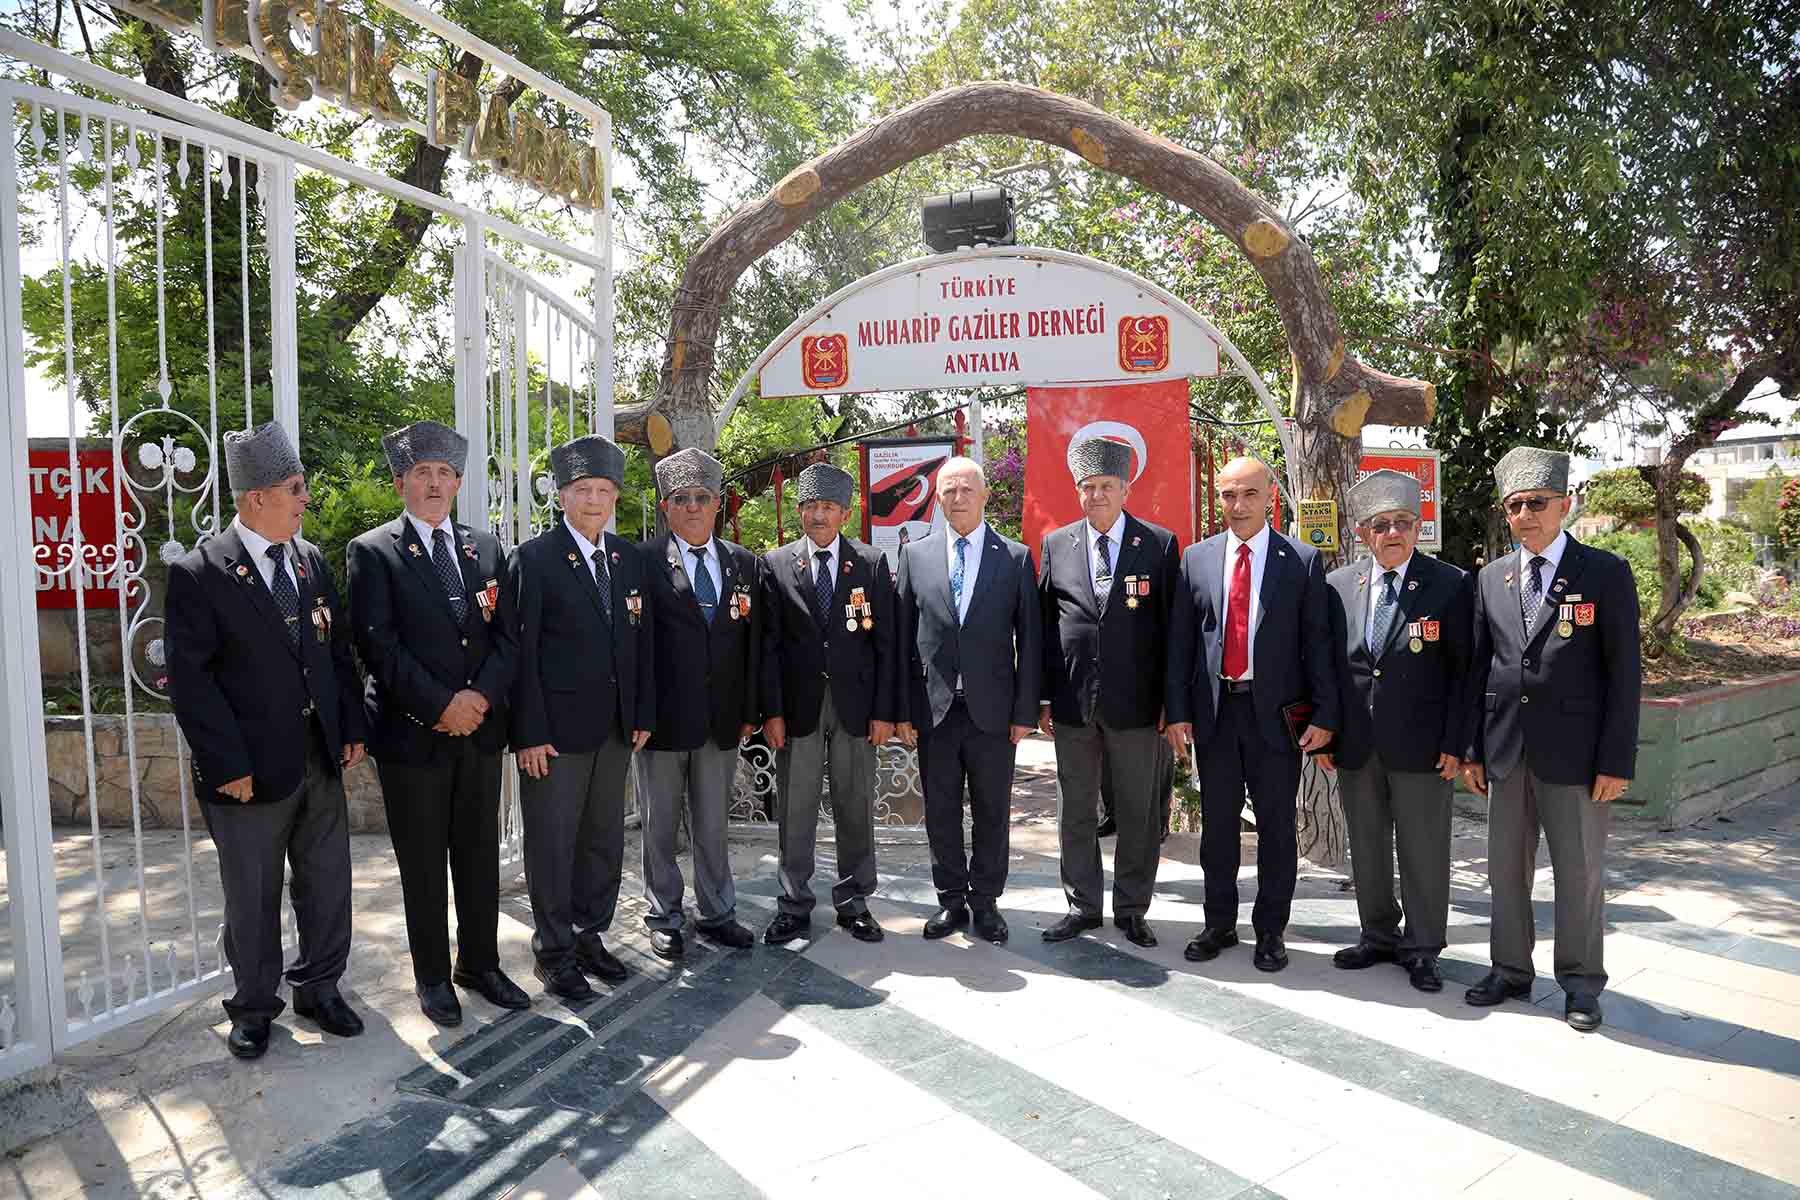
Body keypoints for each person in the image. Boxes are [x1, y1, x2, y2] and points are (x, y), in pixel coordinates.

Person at [166, 421, 366, 1060]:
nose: (306, 498)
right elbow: (193, 684)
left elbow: (336, 653)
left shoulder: (309, 561)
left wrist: (350, 728)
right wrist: (227, 764)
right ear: (258, 497)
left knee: (327, 882)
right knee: (252, 895)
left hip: (318, 758)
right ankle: (253, 1008)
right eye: (295, 488)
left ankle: (321, 988)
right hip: (247, 770)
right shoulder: (200, 574)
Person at [346, 421, 528, 1028]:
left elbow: (508, 638)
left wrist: (478, 699)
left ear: (457, 482)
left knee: (477, 856)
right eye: (421, 473)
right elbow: (379, 647)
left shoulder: (487, 549)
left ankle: (479, 964)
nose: (432, 483)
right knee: (423, 864)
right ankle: (432, 976)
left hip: (479, 731)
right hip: (412, 736)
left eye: (443, 473)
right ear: (401, 483)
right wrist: (441, 705)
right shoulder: (374, 552)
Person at [1462, 446, 1640, 1032]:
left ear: (1565, 504)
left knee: (1579, 873)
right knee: (1504, 871)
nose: (1525, 515)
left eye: (1537, 503)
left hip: (1577, 757)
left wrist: (1615, 760)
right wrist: (1472, 748)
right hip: (1507, 751)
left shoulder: (1604, 572)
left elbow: (1624, 675)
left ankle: (1582, 983)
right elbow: (1480, 668)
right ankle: (1510, 969)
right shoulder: (1492, 577)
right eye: (1515, 505)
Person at [1165, 456, 1337, 972]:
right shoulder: (1196, 559)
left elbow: (1318, 644)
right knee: (1217, 828)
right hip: (1215, 715)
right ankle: (1218, 923)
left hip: (1277, 718)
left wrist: (1324, 716)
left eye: (1249, 494)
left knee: (1277, 829)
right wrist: (1177, 712)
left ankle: (1270, 931)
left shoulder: (1301, 560)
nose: (1237, 505)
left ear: (1269, 498)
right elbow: (1181, 645)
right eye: (1228, 495)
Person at [508, 434, 654, 1002]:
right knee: (553, 845)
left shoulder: (626, 558)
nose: (594, 500)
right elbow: (521, 654)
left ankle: (590, 935)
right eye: (583, 489)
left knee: (602, 841)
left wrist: (640, 711)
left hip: (614, 730)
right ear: (562, 495)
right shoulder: (534, 559)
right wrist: (529, 732)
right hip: (555, 736)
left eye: (604, 490)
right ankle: (554, 952)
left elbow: (638, 644)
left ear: (615, 496)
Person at [1318, 469, 1472, 994]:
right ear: (1363, 532)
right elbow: (1331, 669)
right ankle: (1377, 935)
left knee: (1423, 849)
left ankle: (1423, 947)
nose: (1392, 533)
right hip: (1357, 744)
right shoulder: (1339, 586)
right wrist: (1326, 733)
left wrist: (1457, 743)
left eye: (1403, 522)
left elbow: (1465, 673)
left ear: (1418, 527)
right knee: (1366, 846)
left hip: (1425, 747)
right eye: (1381, 524)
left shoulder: (1451, 584)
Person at [1037, 436, 1178, 948]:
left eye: (1106, 486)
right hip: (1074, 703)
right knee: (1075, 810)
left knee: (1138, 812)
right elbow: (1043, 627)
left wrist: (1172, 703)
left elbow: (1174, 631)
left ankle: (1132, 908)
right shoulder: (1057, 545)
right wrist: (1043, 697)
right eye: (1087, 486)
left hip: (1138, 705)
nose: (1096, 495)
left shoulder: (1158, 544)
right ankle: (1082, 905)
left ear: (1125, 489)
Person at [894, 457, 1041, 944]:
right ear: (937, 499)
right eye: (949, 491)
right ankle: (951, 900)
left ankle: (986, 902)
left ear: (984, 496)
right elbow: (901, 640)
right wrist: (902, 710)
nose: (958, 498)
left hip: (993, 712)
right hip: (933, 710)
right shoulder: (915, 555)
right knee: (940, 811)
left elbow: (1031, 641)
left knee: (992, 810)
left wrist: (1025, 712)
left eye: (966, 490)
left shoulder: (1014, 557)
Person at [759, 462, 899, 946]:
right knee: (795, 809)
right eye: (810, 506)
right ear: (799, 511)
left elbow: (887, 645)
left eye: (828, 507)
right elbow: (768, 646)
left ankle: (854, 902)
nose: (819, 515)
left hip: (855, 708)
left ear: (845, 512)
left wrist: (884, 711)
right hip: (798, 708)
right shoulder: (776, 564)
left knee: (854, 805)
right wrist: (772, 712)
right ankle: (793, 903)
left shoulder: (871, 563)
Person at [636, 448, 760, 960]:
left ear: (718, 504)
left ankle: (717, 912)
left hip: (721, 721)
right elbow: (634, 647)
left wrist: (750, 710)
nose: (692, 507)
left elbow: (753, 645)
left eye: (702, 498)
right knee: (660, 826)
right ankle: (664, 914)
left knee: (713, 825)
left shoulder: (743, 563)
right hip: (662, 723)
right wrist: (639, 714)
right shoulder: (641, 562)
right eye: (681, 498)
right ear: (665, 507)